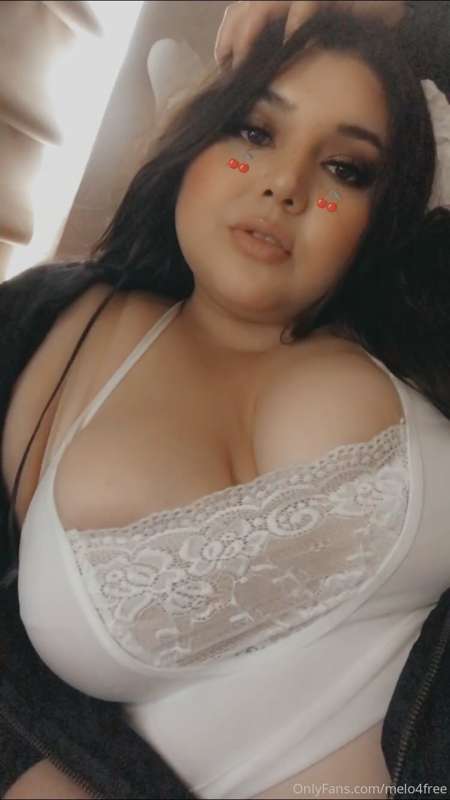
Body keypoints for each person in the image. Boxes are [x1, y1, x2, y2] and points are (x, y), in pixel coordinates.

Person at [1, 3, 450, 799]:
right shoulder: (46, 328)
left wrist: (394, 12)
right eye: (254, 131)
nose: (285, 185)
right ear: (196, 138)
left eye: (345, 170)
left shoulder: (420, 327)